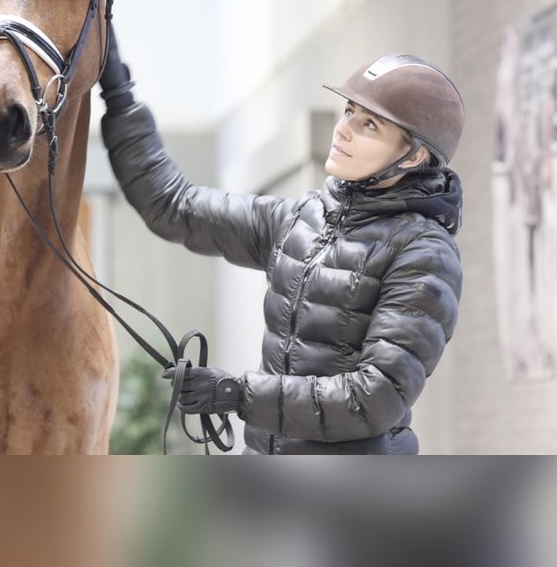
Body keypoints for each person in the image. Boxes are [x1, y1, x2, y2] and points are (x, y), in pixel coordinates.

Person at [99, 26, 464, 454]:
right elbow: (172, 205)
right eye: (349, 111)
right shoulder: (299, 220)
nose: (343, 129)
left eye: (369, 125)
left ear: (415, 156)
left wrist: (239, 394)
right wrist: (117, 91)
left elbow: (374, 399)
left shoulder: (425, 254)